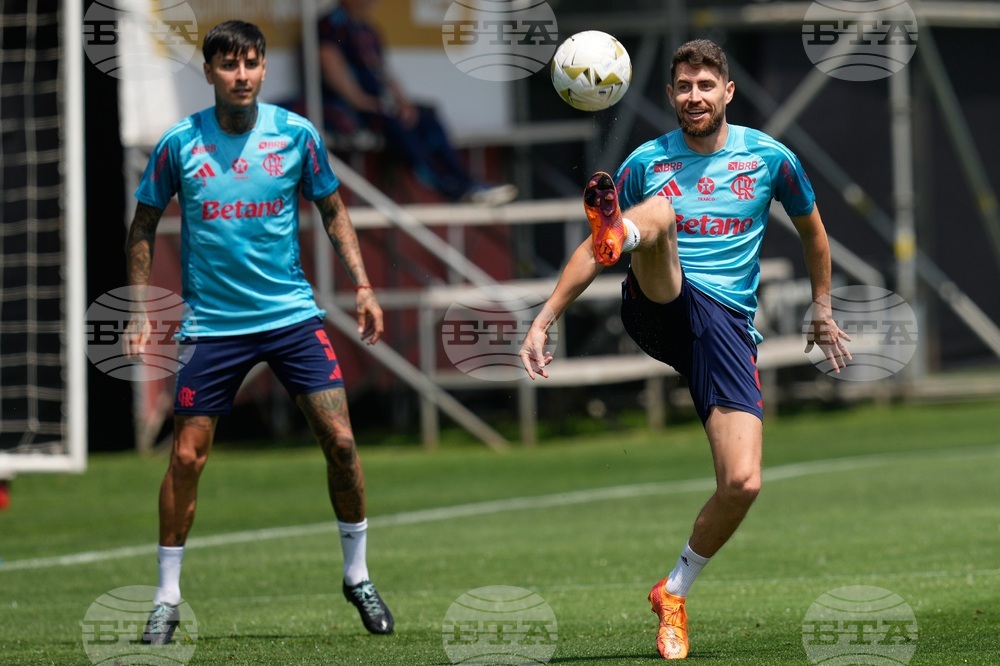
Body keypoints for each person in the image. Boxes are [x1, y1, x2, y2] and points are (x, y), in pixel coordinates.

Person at [519, 39, 851, 660]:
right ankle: (627, 227)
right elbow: (592, 253)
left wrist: (823, 307)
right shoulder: (648, 160)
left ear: (727, 93)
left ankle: (672, 591)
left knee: (743, 483)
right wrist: (544, 319)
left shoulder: (770, 158)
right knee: (661, 217)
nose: (693, 97)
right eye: (682, 87)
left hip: (724, 332)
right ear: (669, 95)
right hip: (658, 302)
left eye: (705, 86)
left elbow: (814, 234)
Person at [124, 20, 394, 644]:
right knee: (187, 456)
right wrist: (140, 309)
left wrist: (362, 285)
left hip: (290, 318)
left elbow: (333, 210)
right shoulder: (178, 143)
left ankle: (357, 576)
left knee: (343, 443)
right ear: (211, 72)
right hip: (212, 328)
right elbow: (142, 226)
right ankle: (166, 599)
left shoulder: (296, 135)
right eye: (228, 65)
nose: (241, 75)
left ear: (265, 68)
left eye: (251, 63)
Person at [317, 0, 517, 205]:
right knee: (396, 126)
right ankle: (448, 186)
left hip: (378, 105)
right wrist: (361, 101)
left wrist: (403, 103)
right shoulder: (332, 24)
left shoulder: (367, 29)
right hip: (350, 109)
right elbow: (331, 66)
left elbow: (383, 72)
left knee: (425, 117)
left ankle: (466, 182)